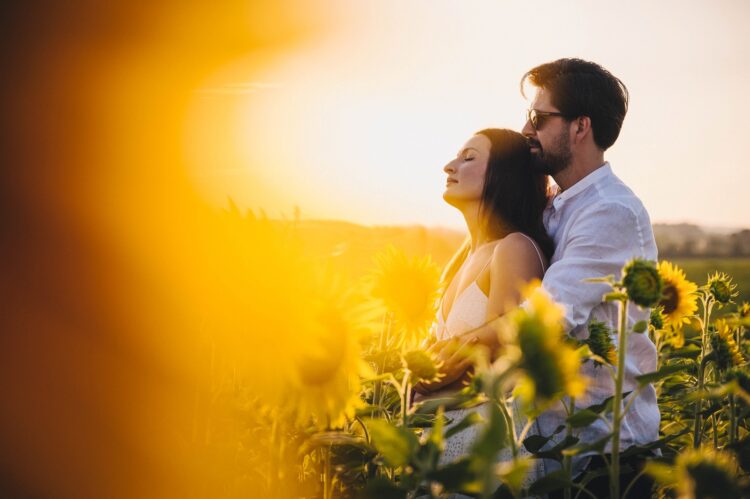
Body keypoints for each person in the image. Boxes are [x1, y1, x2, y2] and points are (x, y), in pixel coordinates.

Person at [520, 58, 659, 497]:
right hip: (561, 449)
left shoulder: (609, 211)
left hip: (607, 458)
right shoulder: (557, 208)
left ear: (580, 127)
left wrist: (455, 363)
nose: (527, 130)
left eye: (539, 118)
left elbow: (545, 319)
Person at [412, 128, 553, 484]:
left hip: (488, 455)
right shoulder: (461, 260)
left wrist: (426, 389)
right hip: (444, 450)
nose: (449, 166)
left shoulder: (514, 248)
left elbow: (507, 370)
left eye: (468, 157)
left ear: (504, 174)